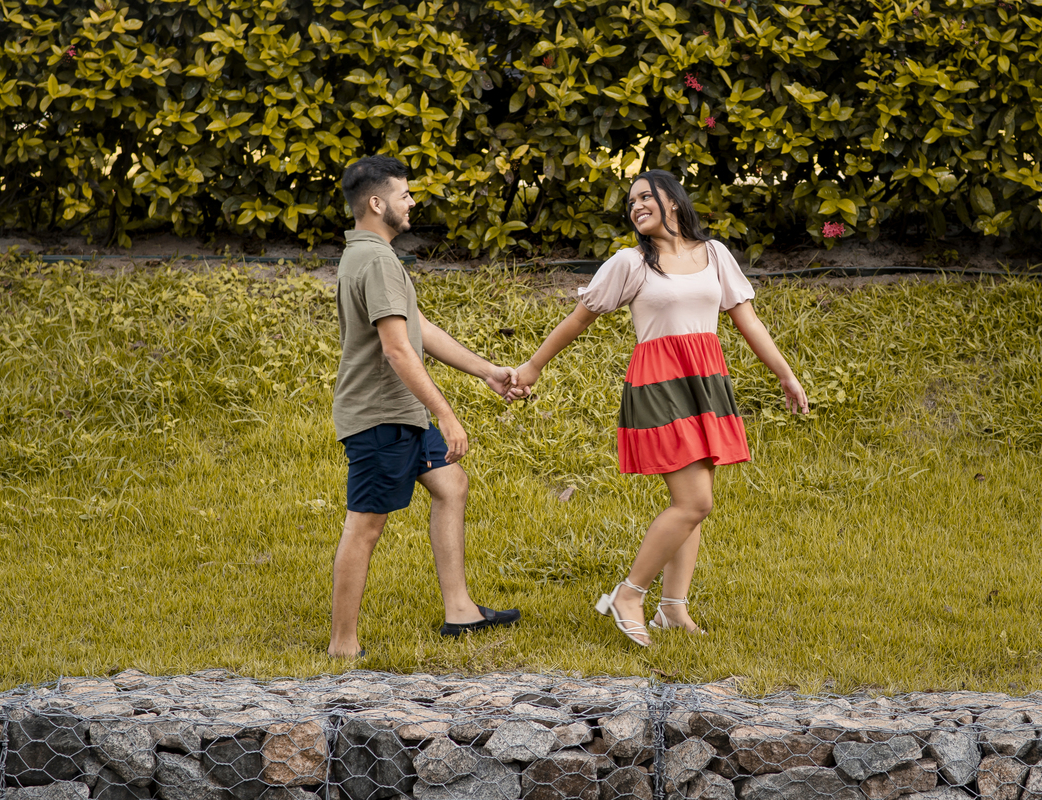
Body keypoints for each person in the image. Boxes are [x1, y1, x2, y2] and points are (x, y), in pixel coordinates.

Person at [512, 169, 809, 647]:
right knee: (696, 502)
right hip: (660, 383)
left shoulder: (714, 254)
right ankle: (629, 595)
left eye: (645, 197)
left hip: (705, 380)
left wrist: (785, 374)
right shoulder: (629, 263)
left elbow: (746, 320)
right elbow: (578, 320)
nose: (636, 207)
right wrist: (532, 368)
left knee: (691, 506)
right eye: (631, 203)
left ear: (673, 200)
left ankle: (672, 608)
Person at [328, 155, 521, 659]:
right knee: (365, 525)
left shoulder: (369, 256)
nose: (412, 202)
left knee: (451, 484)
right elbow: (396, 349)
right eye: (404, 194)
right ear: (376, 203)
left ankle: (460, 612)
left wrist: (485, 371)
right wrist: (447, 412)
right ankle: (342, 646)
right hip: (380, 416)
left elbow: (419, 329)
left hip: (400, 413)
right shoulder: (376, 260)